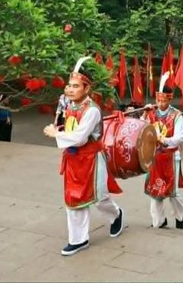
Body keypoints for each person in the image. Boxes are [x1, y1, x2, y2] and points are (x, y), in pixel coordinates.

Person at [42, 57, 124, 256]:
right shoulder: (70, 105)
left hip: (91, 160)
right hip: (73, 160)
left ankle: (116, 214)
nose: (70, 90)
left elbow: (79, 137)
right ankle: (78, 240)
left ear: (87, 89)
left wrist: (56, 134)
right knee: (73, 198)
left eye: (76, 86)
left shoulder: (92, 111)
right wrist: (59, 126)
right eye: (69, 85)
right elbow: (70, 128)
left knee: (100, 198)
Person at [141, 79, 183, 230]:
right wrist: (144, 114)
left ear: (169, 98)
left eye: (163, 100)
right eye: (158, 100)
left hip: (171, 157)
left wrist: (164, 140)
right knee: (155, 190)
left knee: (173, 192)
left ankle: (179, 217)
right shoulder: (151, 112)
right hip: (154, 157)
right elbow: (141, 128)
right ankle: (159, 221)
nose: (160, 103)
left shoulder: (177, 115)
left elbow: (181, 137)